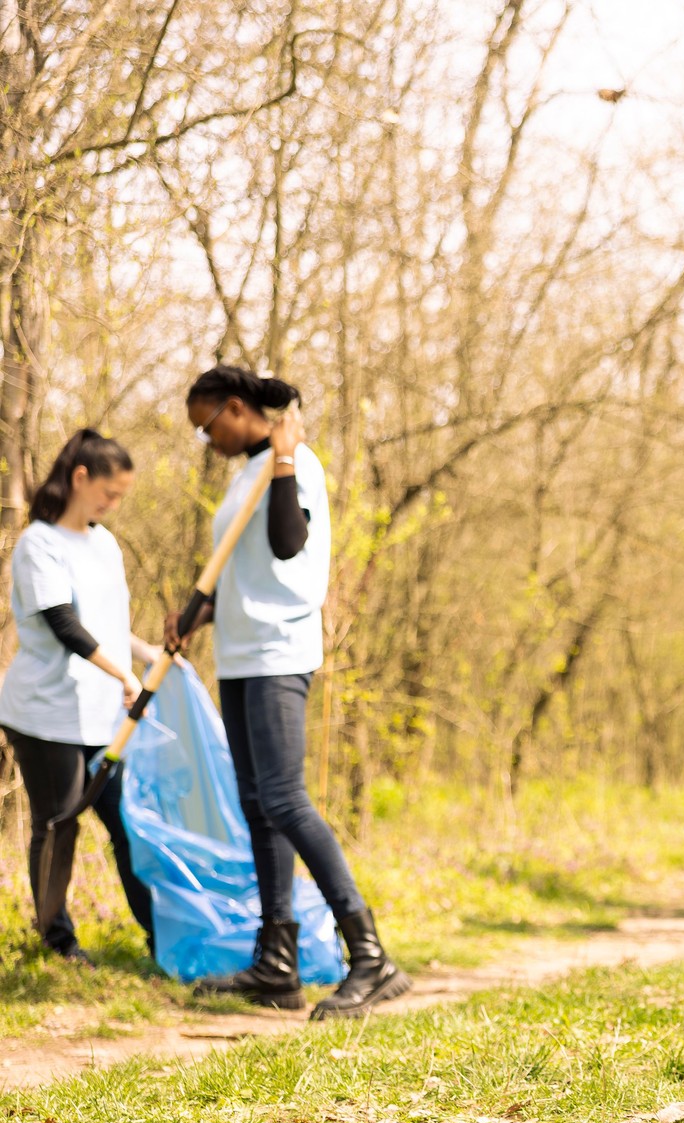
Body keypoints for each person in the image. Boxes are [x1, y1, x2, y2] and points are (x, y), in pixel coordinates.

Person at [168, 366, 411, 1019]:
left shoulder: (294, 464)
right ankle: (277, 963)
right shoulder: (247, 471)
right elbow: (247, 576)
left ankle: (370, 956)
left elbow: (286, 546)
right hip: (243, 653)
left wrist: (280, 460)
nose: (207, 439)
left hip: (280, 654)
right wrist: (198, 612)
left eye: (208, 424)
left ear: (239, 407)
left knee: (284, 798)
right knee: (257, 805)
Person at [0, 430, 160, 964]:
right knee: (60, 824)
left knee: (128, 824)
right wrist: (124, 675)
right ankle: (56, 942)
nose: (113, 505)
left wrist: (149, 654)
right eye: (109, 494)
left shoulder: (105, 543)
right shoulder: (39, 544)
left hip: (101, 715)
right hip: (47, 714)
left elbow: (108, 625)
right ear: (80, 478)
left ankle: (161, 935)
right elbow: (64, 624)